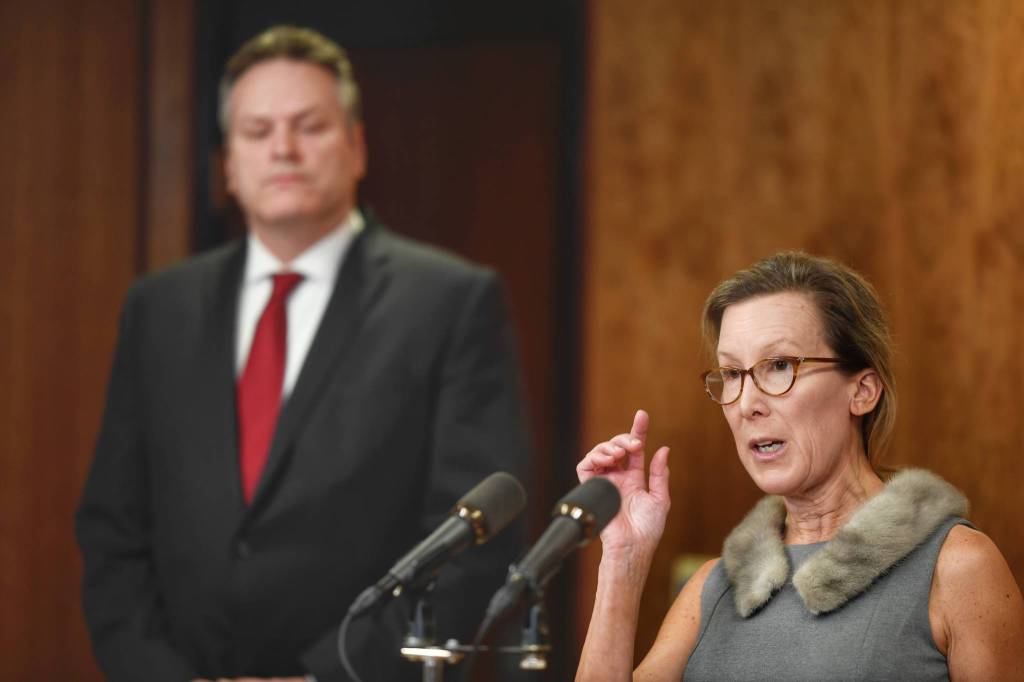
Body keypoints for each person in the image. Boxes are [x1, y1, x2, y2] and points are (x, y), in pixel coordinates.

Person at [75, 25, 529, 682]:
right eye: (257, 132)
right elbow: (112, 528)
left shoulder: (452, 301)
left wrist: (327, 677)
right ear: (228, 163)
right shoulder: (158, 307)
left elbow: (473, 541)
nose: (282, 149)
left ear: (356, 145)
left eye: (308, 126)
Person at [574, 252, 1024, 680]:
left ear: (863, 391)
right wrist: (623, 561)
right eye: (732, 374)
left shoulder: (958, 567)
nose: (747, 404)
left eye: (780, 365)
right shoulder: (711, 587)